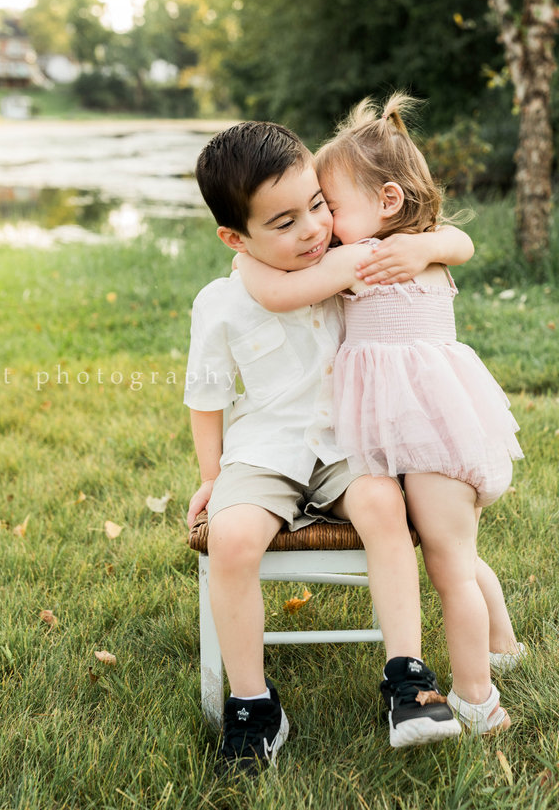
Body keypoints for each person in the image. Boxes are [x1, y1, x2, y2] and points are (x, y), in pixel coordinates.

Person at [186, 120, 477, 775]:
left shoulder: (354, 263)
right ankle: (254, 702)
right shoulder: (222, 301)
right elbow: (206, 395)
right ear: (235, 238)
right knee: (231, 538)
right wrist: (211, 474)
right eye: (284, 222)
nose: (314, 229)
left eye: (318, 204)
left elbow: (451, 244)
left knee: (383, 505)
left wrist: (424, 245)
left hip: (348, 440)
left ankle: (407, 675)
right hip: (264, 450)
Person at [235, 93, 525, 735]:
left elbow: (282, 293)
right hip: (400, 433)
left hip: (429, 436)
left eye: (330, 207)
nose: (323, 224)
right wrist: (430, 245)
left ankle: (478, 698)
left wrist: (245, 260)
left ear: (387, 201)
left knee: (449, 564)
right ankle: (501, 637)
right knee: (450, 549)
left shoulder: (372, 257)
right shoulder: (409, 247)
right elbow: (460, 239)